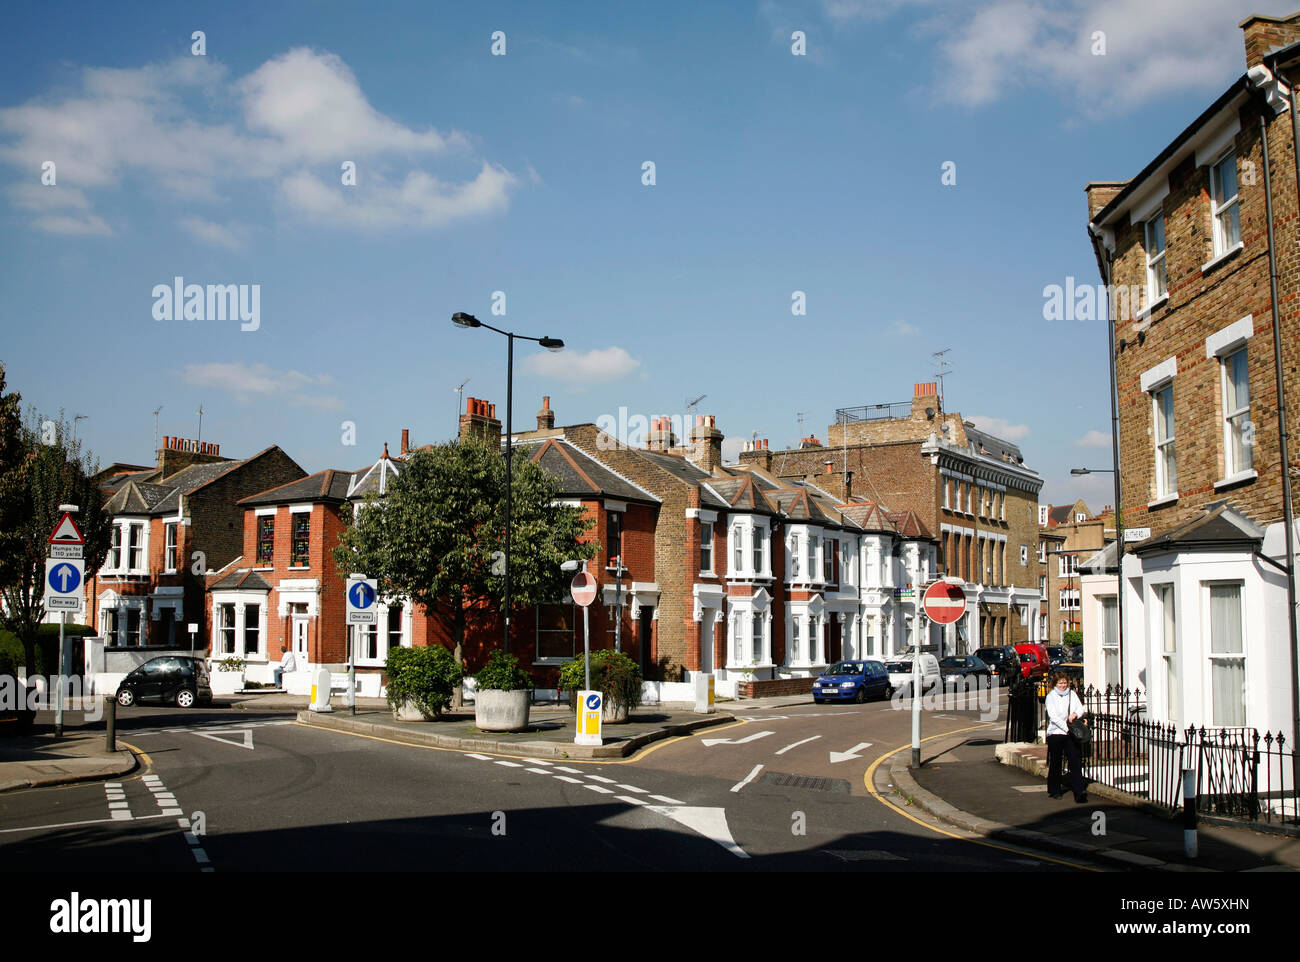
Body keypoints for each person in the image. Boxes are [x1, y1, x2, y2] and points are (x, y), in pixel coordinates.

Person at [1045, 671, 1088, 802]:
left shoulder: (1072, 694)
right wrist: (1066, 728)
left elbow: (1080, 708)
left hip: (1071, 734)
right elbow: (1053, 717)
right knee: (1056, 762)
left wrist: (1074, 714)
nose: (1063, 685)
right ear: (1055, 684)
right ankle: (1054, 790)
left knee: (1075, 761)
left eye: (1064, 682)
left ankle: (1079, 791)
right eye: (1060, 683)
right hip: (1056, 733)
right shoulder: (1051, 696)